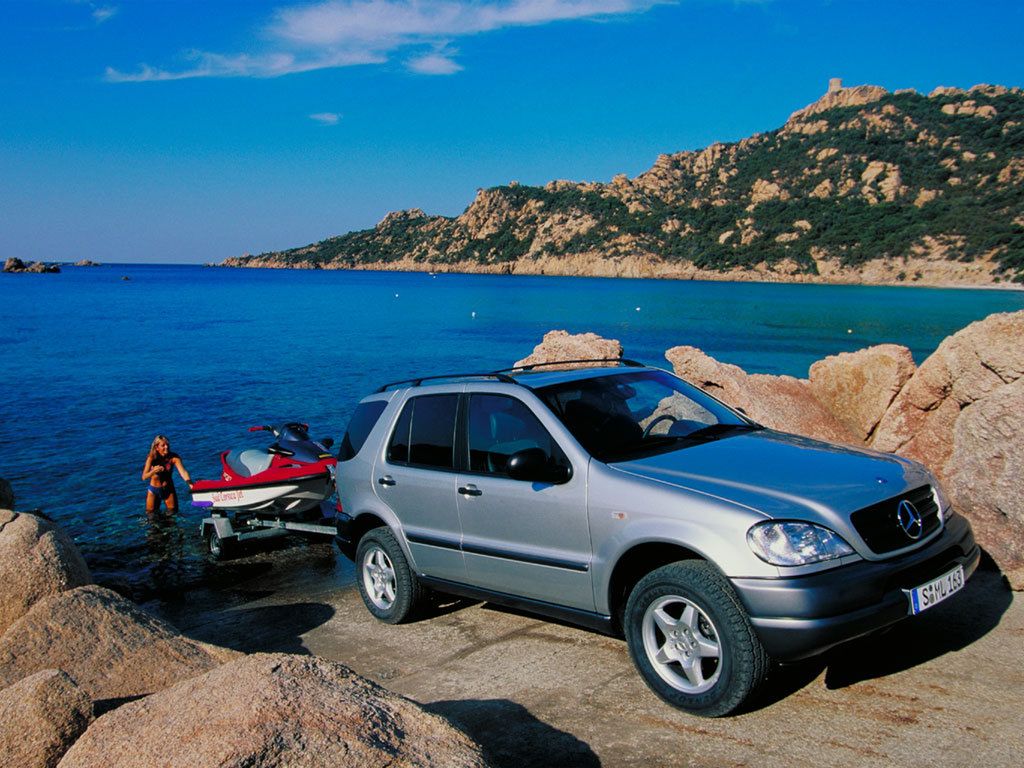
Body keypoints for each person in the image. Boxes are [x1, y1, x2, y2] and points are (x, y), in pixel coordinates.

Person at [142, 435, 193, 512]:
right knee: (151, 515)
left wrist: (190, 484)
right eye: (163, 445)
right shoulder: (152, 457)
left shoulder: (174, 457)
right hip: (154, 490)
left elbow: (183, 472)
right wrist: (153, 471)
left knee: (172, 513)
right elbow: (144, 477)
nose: (166, 447)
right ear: (157, 447)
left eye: (167, 445)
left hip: (168, 489)